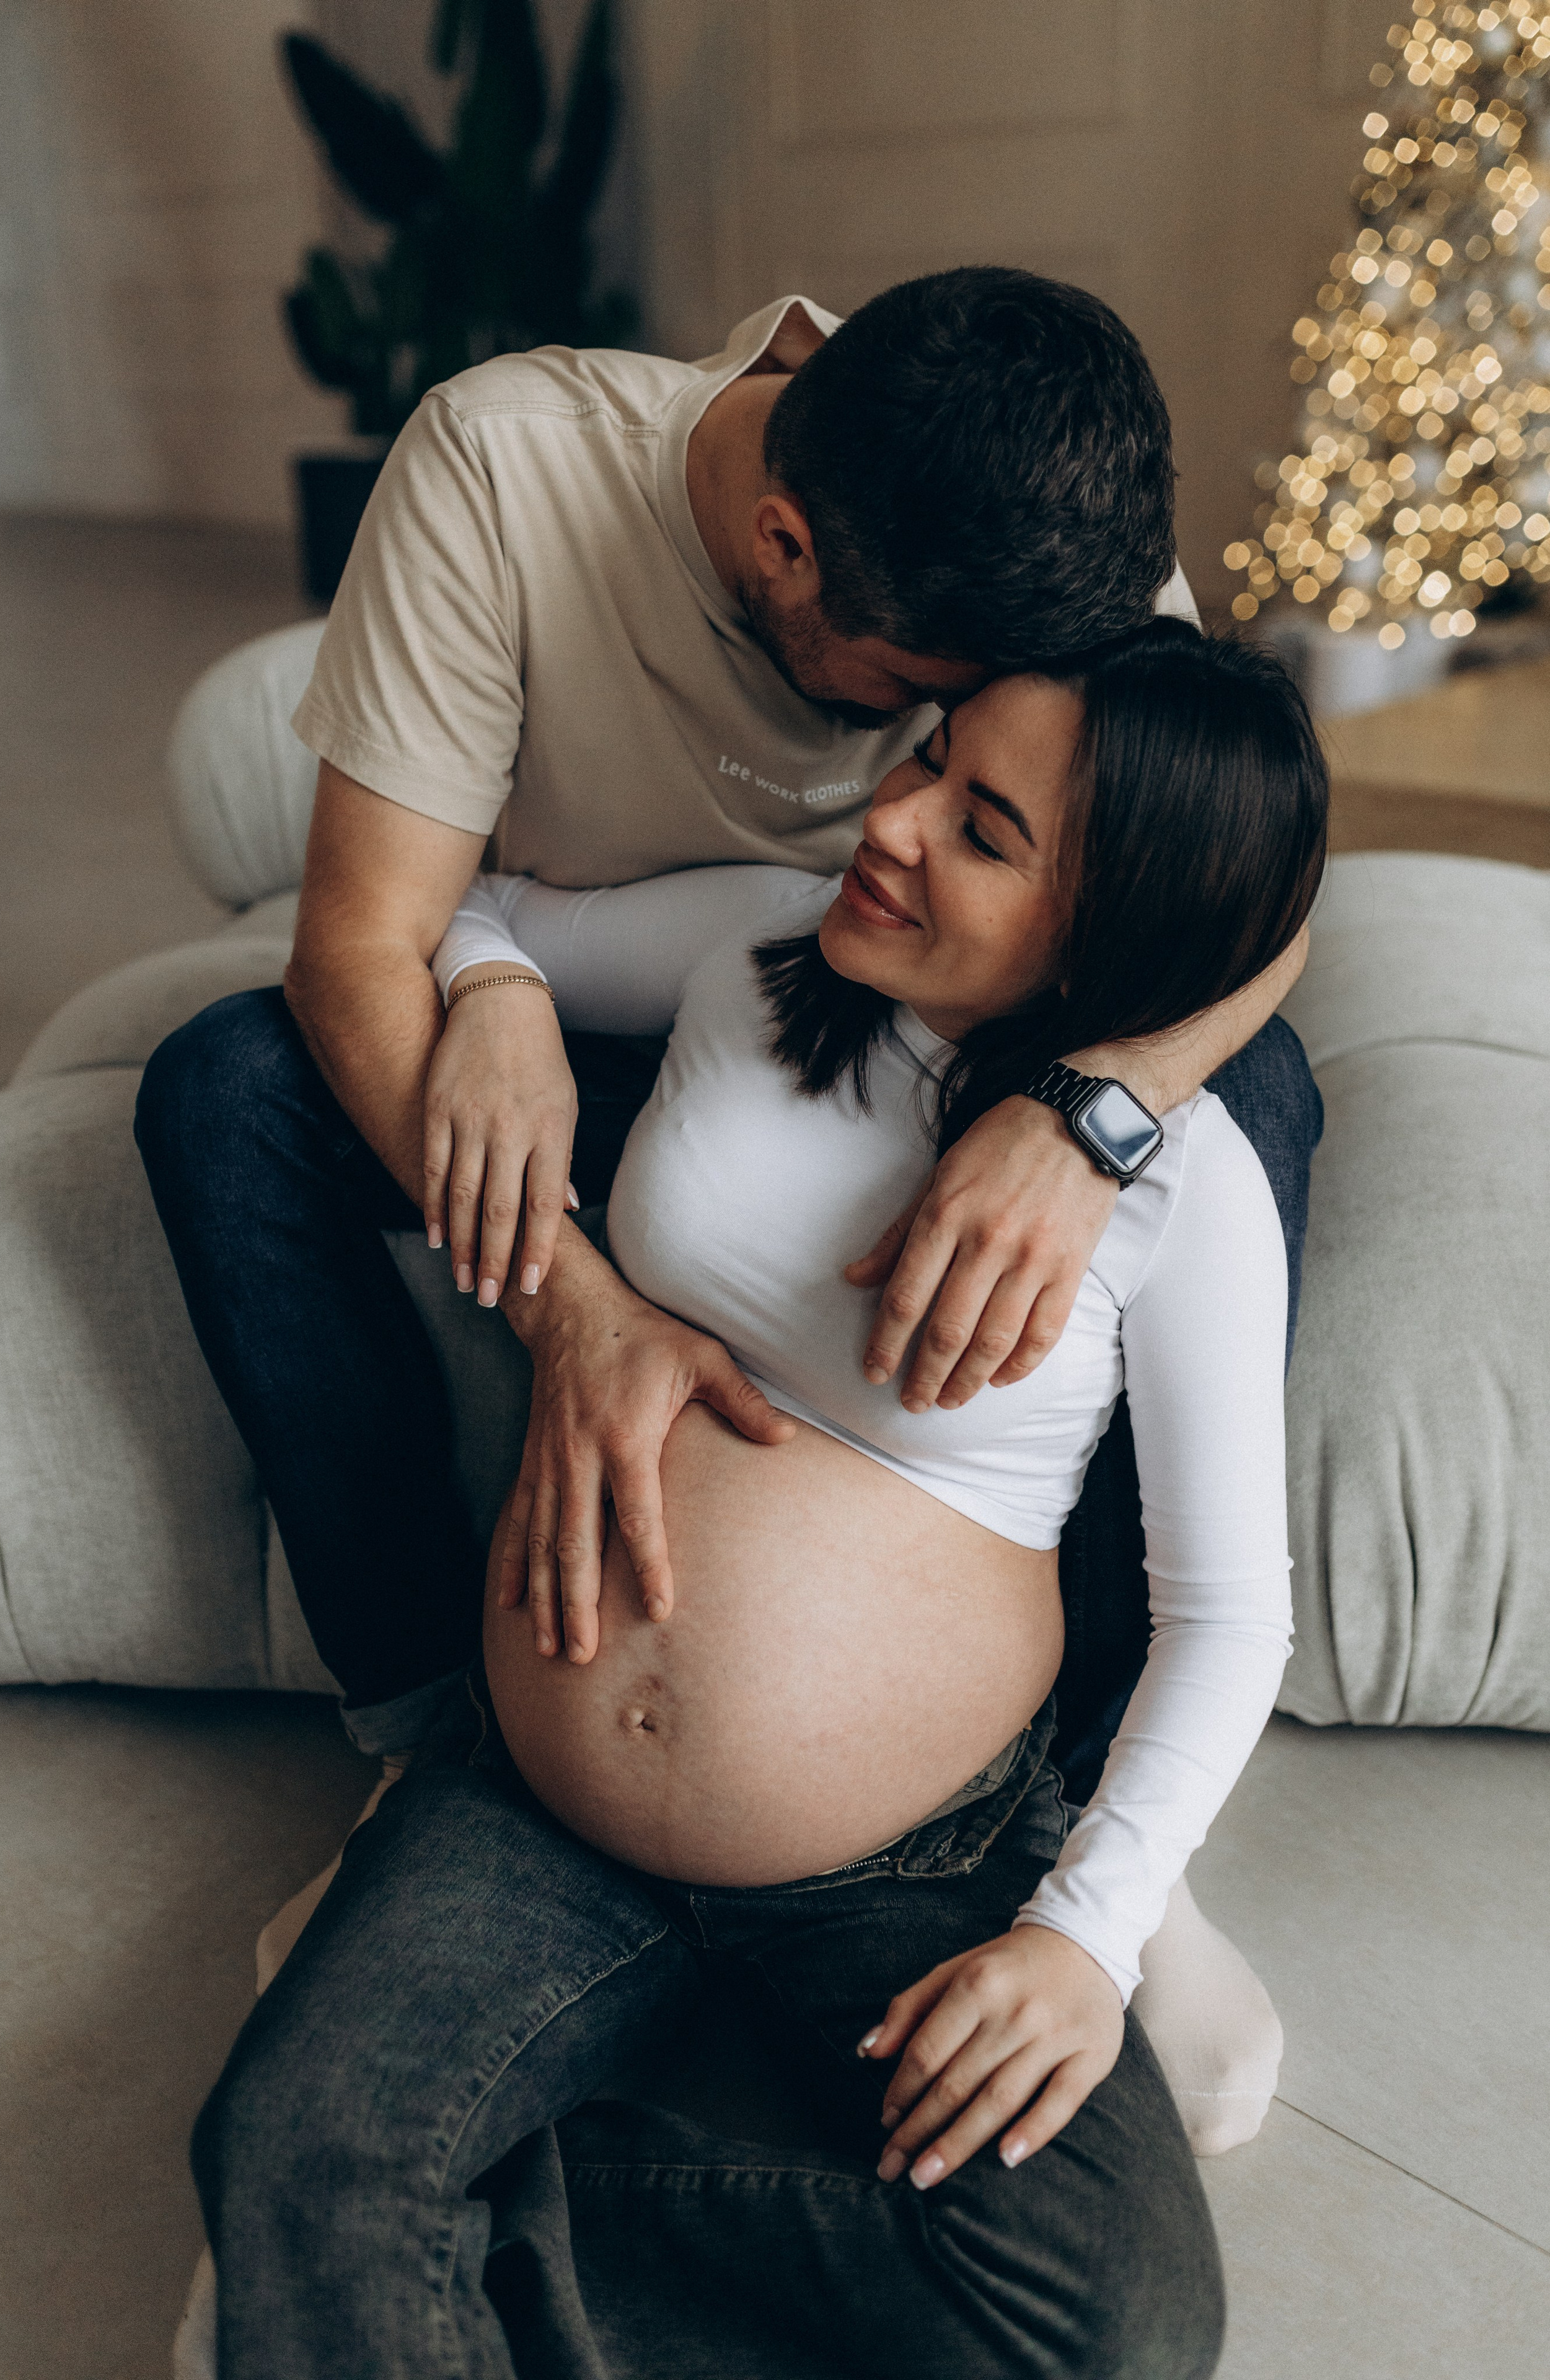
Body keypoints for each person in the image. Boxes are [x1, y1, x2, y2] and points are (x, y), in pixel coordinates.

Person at [192, 622, 1326, 2379]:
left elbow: (1230, 1610)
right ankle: (417, 2204)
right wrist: (497, 1005)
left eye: (986, 830)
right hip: (534, 1808)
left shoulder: (1181, 1190)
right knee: (286, 2148)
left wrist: (1086, 1940)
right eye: (934, 760)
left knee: (1110, 2320)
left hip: (914, 1857)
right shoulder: (758, 947)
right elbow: (477, 910)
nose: (895, 818)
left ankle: (521, 2200)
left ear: (1115, 930)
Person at [133, 270, 1318, 1841]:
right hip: (598, 1013)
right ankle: (423, 1734)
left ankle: (1088, 1822)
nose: (902, 782)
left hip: (938, 1051)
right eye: (919, 707)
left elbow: (1250, 890)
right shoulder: (503, 469)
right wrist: (566, 1274)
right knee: (224, 1091)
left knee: (1254, 1081)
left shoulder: (1040, 543)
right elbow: (357, 946)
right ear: (783, 548)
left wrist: (1090, 1115)